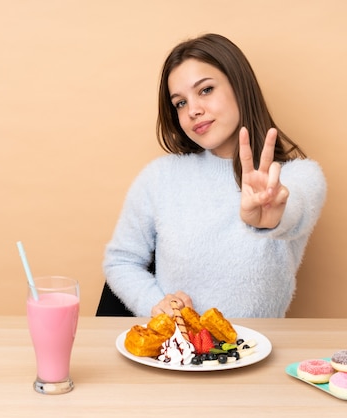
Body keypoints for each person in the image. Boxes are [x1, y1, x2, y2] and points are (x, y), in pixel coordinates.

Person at [103, 33, 326, 318]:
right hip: (177, 357)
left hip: (256, 354)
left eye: (206, 90)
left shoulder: (300, 176)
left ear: (240, 87)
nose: (194, 110)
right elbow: (121, 260)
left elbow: (294, 207)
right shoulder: (159, 177)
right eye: (180, 103)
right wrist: (156, 305)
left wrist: (271, 217)